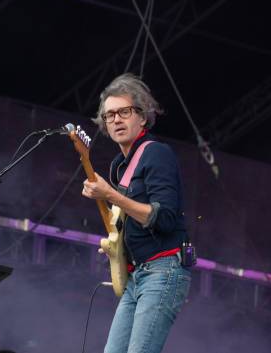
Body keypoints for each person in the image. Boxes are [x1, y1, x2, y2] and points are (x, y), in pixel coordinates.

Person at [82, 73, 191, 353]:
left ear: (142, 117)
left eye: (124, 112)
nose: (116, 119)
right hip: (136, 275)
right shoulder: (119, 165)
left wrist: (111, 195)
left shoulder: (157, 154)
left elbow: (164, 217)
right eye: (109, 115)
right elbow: (132, 218)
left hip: (162, 270)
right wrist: (118, 246)